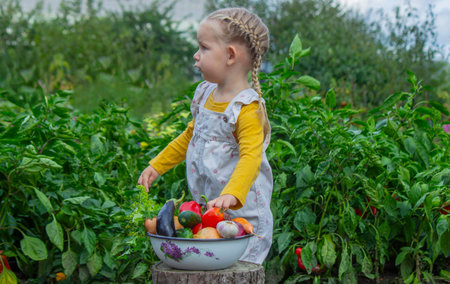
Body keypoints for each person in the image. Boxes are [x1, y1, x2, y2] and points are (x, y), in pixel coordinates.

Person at [138, 7, 273, 265]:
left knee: (238, 268)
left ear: (230, 55)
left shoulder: (246, 108)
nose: (195, 55)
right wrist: (157, 165)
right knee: (211, 262)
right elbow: (190, 135)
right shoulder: (205, 93)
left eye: (204, 47)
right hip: (212, 210)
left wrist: (232, 195)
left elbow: (251, 157)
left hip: (243, 213)